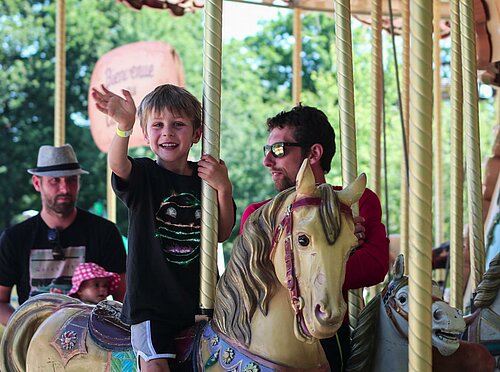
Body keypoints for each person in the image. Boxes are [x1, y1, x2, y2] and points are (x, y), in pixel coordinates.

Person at [91, 83, 236, 372]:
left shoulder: (206, 177)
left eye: (178, 124)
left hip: (201, 300)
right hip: (152, 304)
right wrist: (124, 126)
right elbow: (118, 165)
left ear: (196, 134)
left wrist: (223, 187)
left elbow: (221, 233)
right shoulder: (144, 174)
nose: (167, 132)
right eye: (157, 125)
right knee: (155, 366)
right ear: (146, 134)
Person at [240, 104, 389, 372]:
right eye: (267, 151)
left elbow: (376, 265)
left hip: (327, 326)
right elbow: (259, 278)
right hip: (267, 344)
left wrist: (326, 247)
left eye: (278, 150)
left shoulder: (356, 202)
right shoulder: (258, 215)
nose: (267, 161)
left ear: (314, 153)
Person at [0, 144, 127, 326]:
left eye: (71, 180)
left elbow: (122, 298)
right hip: (34, 340)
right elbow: (1, 300)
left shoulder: (104, 232)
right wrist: (24, 328)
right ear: (37, 183)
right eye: (55, 181)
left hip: (89, 338)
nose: (64, 189)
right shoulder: (15, 238)